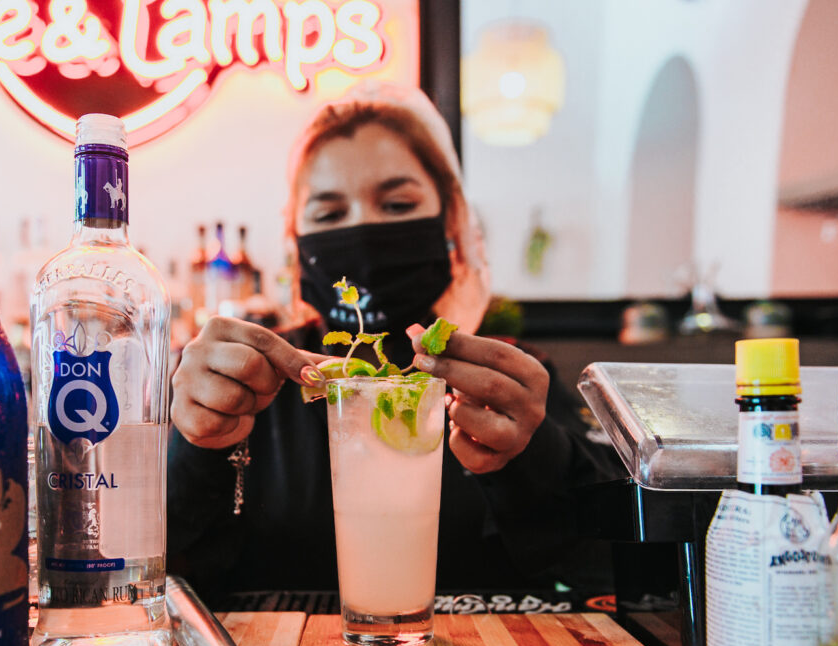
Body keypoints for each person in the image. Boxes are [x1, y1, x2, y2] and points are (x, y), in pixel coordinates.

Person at [166, 83, 619, 601]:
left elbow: (601, 568)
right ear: (296, 242)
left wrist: (534, 452)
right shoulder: (246, 383)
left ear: (450, 221)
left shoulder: (507, 384)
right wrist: (196, 442)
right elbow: (171, 562)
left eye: (398, 204)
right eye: (330, 215)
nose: (362, 232)